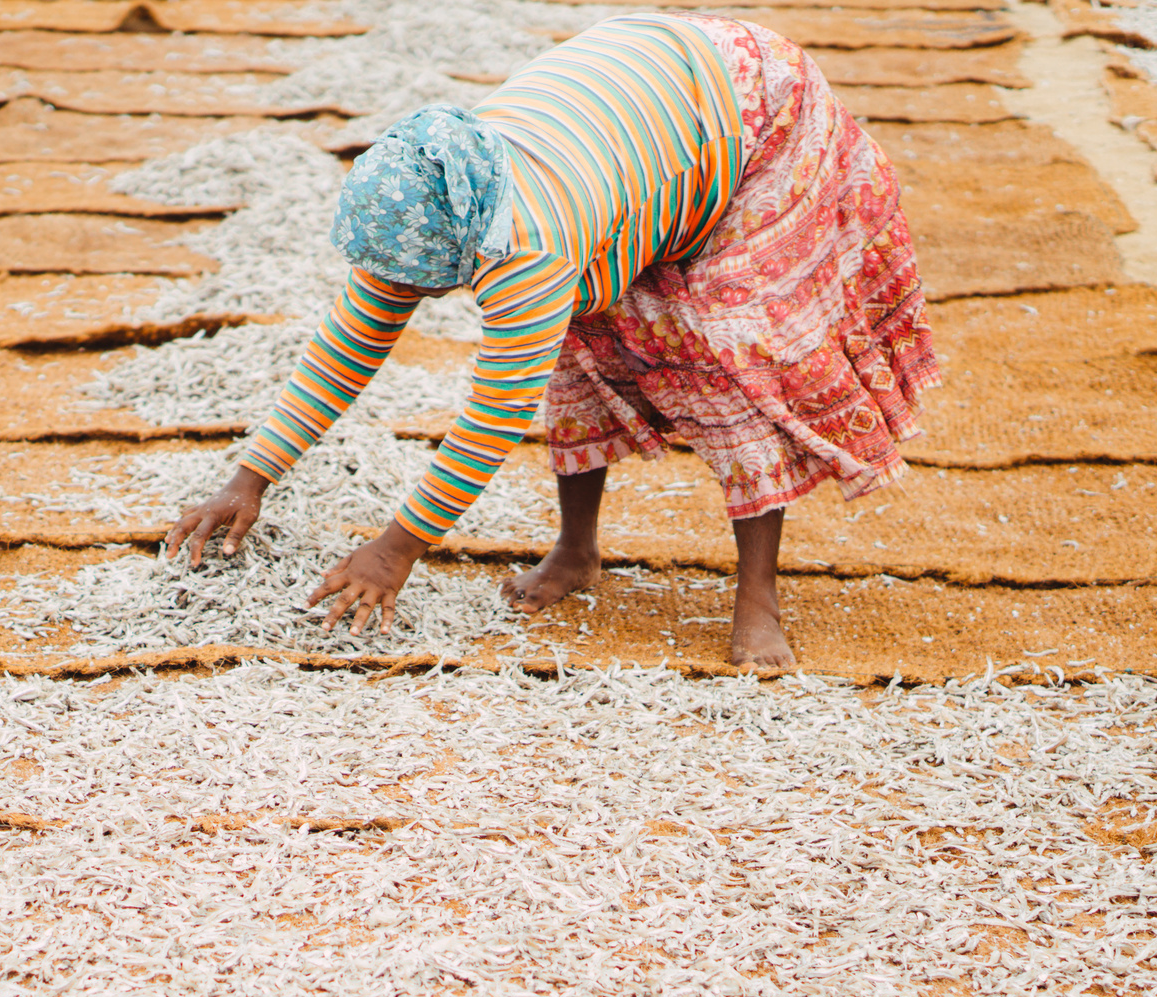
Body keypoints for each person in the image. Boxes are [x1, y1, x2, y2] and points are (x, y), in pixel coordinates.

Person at [164, 13, 939, 667]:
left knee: (727, 349)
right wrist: (250, 479)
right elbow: (346, 350)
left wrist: (393, 550)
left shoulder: (527, 248)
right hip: (637, 112)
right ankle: (576, 552)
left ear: (465, 253)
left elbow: (492, 419)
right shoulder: (417, 205)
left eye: (416, 282)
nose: (403, 293)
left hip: (754, 112)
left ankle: (757, 596)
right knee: (582, 348)